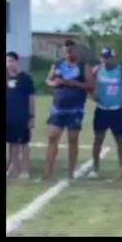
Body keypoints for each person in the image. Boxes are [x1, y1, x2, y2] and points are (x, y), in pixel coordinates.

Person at [44, 39, 94, 180]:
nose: (68, 54)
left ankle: (71, 173)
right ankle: (48, 173)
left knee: (72, 139)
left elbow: (91, 85)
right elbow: (48, 80)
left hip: (75, 109)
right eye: (66, 52)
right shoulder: (58, 65)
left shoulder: (84, 67)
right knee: (52, 138)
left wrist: (71, 83)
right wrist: (54, 83)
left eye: (71, 51)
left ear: (76, 50)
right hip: (58, 108)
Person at [88, 47, 122, 178]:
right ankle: (95, 168)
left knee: (119, 140)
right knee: (98, 139)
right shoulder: (97, 70)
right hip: (102, 108)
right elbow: (88, 83)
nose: (106, 60)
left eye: (108, 58)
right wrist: (92, 94)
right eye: (103, 57)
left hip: (117, 110)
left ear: (114, 58)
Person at [6, 52, 36, 179]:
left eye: (11, 61)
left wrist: (32, 116)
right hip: (9, 117)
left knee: (24, 144)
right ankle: (14, 169)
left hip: (22, 116)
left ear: (17, 62)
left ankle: (25, 170)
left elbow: (31, 98)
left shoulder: (25, 79)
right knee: (12, 143)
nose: (8, 64)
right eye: (7, 61)